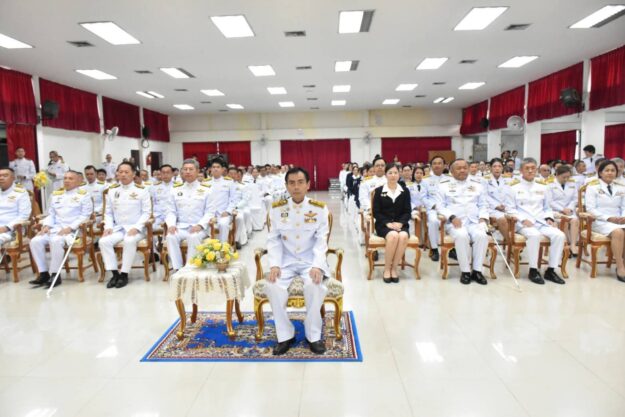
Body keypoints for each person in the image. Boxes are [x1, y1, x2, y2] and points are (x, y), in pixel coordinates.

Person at [265, 167, 330, 355]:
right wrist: (274, 264)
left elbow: (321, 240)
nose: (296, 187)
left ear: (308, 185)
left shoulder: (319, 209)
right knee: (272, 285)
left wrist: (317, 265)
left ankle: (313, 336)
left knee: (315, 285)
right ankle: (285, 335)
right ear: (286, 186)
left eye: (300, 182)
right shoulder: (277, 209)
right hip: (285, 261)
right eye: (292, 183)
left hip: (310, 260)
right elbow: (274, 239)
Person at [506, 157, 566, 285]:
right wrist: (523, 219)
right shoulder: (513, 187)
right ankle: (533, 270)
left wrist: (549, 218)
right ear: (521, 170)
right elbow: (509, 209)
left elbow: (547, 207)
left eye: (533, 168)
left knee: (559, 235)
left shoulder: (543, 187)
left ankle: (551, 270)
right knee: (534, 235)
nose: (530, 171)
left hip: (540, 221)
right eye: (527, 168)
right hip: (523, 224)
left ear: (536, 170)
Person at [29, 171, 93, 288]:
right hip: (55, 229)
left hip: (74, 231)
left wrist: (70, 228)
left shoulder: (83, 195)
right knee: (35, 241)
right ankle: (43, 273)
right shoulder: (56, 195)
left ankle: (55, 274)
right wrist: (46, 225)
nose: (67, 181)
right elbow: (51, 214)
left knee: (55, 241)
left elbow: (85, 215)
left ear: (78, 181)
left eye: (70, 178)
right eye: (65, 178)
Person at [436, 159, 490, 285]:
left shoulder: (477, 184)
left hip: (474, 221)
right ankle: (465, 271)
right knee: (461, 235)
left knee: (482, 236)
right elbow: (440, 206)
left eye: (465, 168)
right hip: (455, 222)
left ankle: (477, 271)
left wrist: (483, 218)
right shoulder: (443, 186)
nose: (462, 170)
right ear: (451, 171)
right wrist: (451, 217)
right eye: (458, 168)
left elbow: (483, 204)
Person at [99, 162, 152, 288]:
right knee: (103, 241)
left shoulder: (142, 190)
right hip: (118, 228)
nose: (123, 174)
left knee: (129, 240)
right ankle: (114, 274)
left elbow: (147, 213)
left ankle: (124, 274)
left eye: (126, 172)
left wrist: (137, 227)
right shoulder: (112, 190)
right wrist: (108, 227)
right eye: (120, 172)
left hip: (136, 228)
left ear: (133, 174)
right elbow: (108, 213)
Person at [165, 159, 213, 271]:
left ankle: (190, 268)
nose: (187, 172)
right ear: (181, 171)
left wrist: (200, 225)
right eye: (185, 169)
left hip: (199, 227)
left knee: (193, 237)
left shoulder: (206, 189)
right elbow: (170, 211)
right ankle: (177, 268)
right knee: (170, 236)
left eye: (191, 169)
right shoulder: (175, 189)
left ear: (197, 171)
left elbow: (210, 212)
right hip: (181, 226)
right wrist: (171, 225)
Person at [584, 160, 625, 282]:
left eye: (613, 170)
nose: (610, 173)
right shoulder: (592, 187)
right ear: (600, 172)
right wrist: (608, 218)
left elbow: (624, 206)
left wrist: (623, 217)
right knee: (618, 232)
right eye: (607, 170)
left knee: (620, 229)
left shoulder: (621, 187)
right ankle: (620, 267)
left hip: (619, 220)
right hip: (599, 221)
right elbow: (590, 209)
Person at [372, 164, 412, 283]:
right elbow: (376, 212)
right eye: (390, 173)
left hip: (401, 224)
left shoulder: (405, 191)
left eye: (395, 173)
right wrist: (387, 223)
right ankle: (386, 269)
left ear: (399, 175)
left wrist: (401, 223)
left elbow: (407, 211)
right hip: (383, 225)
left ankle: (394, 268)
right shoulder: (379, 191)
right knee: (393, 235)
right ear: (386, 175)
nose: (393, 175)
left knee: (403, 236)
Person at [548, 165, 579, 257]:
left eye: (568, 177)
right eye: (563, 177)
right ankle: (564, 245)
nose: (566, 179)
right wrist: (562, 209)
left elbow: (575, 199)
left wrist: (569, 208)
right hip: (555, 211)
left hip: (569, 210)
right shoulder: (549, 184)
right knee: (564, 222)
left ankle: (573, 245)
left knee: (575, 221)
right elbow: (549, 201)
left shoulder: (572, 184)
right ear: (557, 175)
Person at [204, 158, 237, 243]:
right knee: (204, 225)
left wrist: (228, 211)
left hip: (223, 213)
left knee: (223, 224)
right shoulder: (205, 183)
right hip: (209, 213)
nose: (215, 169)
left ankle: (223, 246)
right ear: (210, 169)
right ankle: (209, 247)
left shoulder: (229, 182)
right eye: (213, 167)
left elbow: (233, 200)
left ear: (222, 169)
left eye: (218, 167)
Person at [423, 155, 448, 261]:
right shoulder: (425, 180)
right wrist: (434, 206)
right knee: (433, 221)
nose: (437, 165)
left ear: (444, 165)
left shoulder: (449, 179)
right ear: (431, 166)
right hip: (433, 209)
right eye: (434, 163)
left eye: (439, 163)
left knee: (454, 220)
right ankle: (434, 249)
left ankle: (453, 249)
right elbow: (423, 197)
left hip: (447, 208)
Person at [0, 167, 31, 247]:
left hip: (12, 231)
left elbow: (24, 216)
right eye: (0, 176)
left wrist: (6, 228)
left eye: (5, 176)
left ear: (13, 178)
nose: (1, 178)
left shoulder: (20, 193)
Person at [484, 158, 510, 243]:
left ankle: (509, 239)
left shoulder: (508, 180)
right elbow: (484, 196)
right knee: (501, 218)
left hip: (506, 207)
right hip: (491, 208)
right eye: (494, 166)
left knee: (516, 218)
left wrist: (505, 206)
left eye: (499, 166)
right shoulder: (484, 180)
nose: (497, 168)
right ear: (490, 168)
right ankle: (510, 243)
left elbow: (510, 195)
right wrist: (496, 206)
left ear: (502, 168)